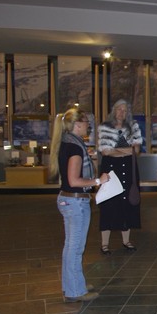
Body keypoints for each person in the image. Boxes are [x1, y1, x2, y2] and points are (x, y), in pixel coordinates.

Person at [50, 108, 110, 302]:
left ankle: (74, 284)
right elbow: (74, 180)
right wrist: (98, 181)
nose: (88, 125)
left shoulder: (68, 143)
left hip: (70, 200)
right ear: (77, 125)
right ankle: (75, 291)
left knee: (72, 246)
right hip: (74, 201)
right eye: (85, 122)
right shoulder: (75, 148)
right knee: (75, 248)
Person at [97, 99, 142, 254]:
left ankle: (126, 241)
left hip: (129, 170)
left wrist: (116, 151)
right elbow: (105, 152)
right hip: (110, 170)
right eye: (119, 109)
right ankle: (105, 244)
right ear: (114, 110)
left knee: (128, 203)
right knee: (108, 203)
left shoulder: (133, 126)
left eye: (125, 110)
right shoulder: (105, 127)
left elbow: (136, 151)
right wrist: (126, 150)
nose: (122, 113)